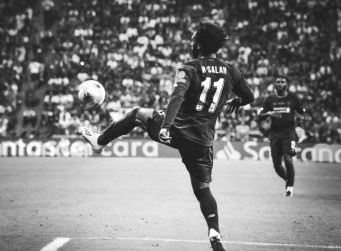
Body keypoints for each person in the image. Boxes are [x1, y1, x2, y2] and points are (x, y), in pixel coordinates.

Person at [81, 21, 254, 251]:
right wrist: (238, 101)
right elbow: (249, 96)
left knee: (136, 114)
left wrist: (166, 125)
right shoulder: (231, 70)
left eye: (194, 40)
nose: (192, 43)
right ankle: (215, 234)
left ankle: (99, 142)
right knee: (202, 190)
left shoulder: (189, 68)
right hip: (202, 140)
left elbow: (177, 97)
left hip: (176, 130)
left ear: (200, 44)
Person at [259, 76, 305, 197]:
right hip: (274, 134)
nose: (280, 83)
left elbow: (302, 115)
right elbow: (261, 115)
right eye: (278, 82)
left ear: (286, 85)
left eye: (282, 82)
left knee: (288, 159)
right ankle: (288, 180)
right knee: (277, 165)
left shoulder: (293, 98)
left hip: (289, 133)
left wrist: (297, 118)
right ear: (275, 84)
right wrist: (269, 113)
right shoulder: (269, 99)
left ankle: (290, 188)